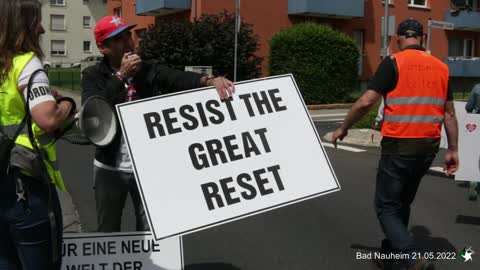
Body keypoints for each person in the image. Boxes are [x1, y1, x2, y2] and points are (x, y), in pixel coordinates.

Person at [81, 16, 235, 232]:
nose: (128, 42)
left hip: (147, 166)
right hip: (110, 166)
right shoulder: (92, 75)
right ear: (102, 48)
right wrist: (121, 77)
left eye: (128, 35)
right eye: (118, 39)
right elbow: (93, 110)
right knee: (108, 229)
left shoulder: (148, 69)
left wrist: (209, 81)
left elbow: (177, 78)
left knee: (149, 228)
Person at [332, 18, 459, 270]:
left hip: (400, 146)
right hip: (428, 148)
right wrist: (453, 150)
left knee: (385, 206)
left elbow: (366, 102)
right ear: (422, 38)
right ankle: (390, 254)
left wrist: (343, 128)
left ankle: (411, 257)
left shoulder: (393, 62)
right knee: (401, 202)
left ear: (398, 39)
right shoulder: (441, 67)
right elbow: (450, 114)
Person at [0, 0, 76, 269]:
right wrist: (67, 103)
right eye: (37, 21)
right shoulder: (27, 64)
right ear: (23, 25)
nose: (42, 28)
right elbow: (48, 118)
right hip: (26, 187)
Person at [465, 83, 480, 201]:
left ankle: (474, 180)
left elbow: (469, 107)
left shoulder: (477, 88)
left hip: (477, 123)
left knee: (475, 154)